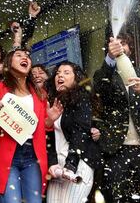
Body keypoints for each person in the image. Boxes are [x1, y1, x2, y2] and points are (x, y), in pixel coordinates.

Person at [93, 33, 140, 202]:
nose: (119, 46)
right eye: (114, 44)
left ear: (130, 48)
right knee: (117, 197)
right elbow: (99, 88)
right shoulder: (106, 74)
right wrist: (110, 59)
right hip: (117, 149)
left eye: (123, 44)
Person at [0, 48, 50, 203]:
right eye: (19, 55)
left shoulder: (40, 93)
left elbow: (43, 127)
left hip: (32, 156)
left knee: (34, 201)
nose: (25, 58)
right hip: (7, 155)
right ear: (9, 63)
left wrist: (51, 119)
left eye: (27, 56)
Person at [45, 62, 101, 203]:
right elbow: (48, 137)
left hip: (79, 164)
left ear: (76, 79)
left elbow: (80, 134)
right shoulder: (50, 102)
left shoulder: (82, 99)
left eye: (66, 72)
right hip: (57, 167)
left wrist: (70, 166)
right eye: (58, 73)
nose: (60, 75)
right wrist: (53, 164)